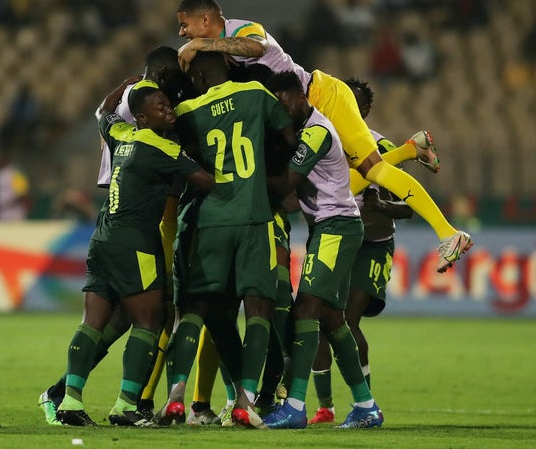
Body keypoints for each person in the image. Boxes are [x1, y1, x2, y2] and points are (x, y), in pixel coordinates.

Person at [175, 0, 472, 273]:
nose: (182, 33)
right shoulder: (222, 55)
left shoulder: (241, 29)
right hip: (301, 117)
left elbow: (257, 47)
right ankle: (411, 149)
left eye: (184, 25)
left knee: (372, 169)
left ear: (204, 20)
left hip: (322, 96)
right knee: (342, 184)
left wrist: (202, 45)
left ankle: (449, 232)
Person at [51, 77, 214, 427]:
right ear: (141, 116)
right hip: (136, 244)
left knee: (92, 323)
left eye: (168, 104)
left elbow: (104, 111)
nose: (168, 110)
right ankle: (125, 405)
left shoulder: (121, 136)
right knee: (149, 323)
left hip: (102, 239)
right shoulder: (164, 150)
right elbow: (205, 182)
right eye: (160, 106)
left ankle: (69, 401)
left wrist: (128, 83)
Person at [152, 51, 295, 429]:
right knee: (259, 310)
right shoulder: (255, 94)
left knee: (193, 310)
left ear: (197, 77)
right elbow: (288, 137)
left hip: (206, 220)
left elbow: (176, 158)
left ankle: (176, 400)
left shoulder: (185, 113)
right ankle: (244, 402)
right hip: (254, 217)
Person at [262, 71, 382, 429]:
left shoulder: (316, 131)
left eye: (284, 101)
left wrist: (241, 177)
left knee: (305, 310)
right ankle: (366, 407)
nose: (281, 110)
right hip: (327, 226)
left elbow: (287, 184)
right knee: (332, 319)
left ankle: (295, 406)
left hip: (336, 227)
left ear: (301, 97)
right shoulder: (303, 130)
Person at [309, 78, 413, 424]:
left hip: (373, 244)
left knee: (347, 319)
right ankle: (325, 407)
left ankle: (364, 402)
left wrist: (381, 204)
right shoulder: (320, 137)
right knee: (319, 320)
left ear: (364, 110)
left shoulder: (381, 147)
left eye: (353, 104)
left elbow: (407, 207)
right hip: (334, 239)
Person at [0, 150, 31, 221]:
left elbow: (23, 194)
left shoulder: (15, 173)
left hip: (14, 211)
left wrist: (7, 205)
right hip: (0, 212)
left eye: (1, 159)